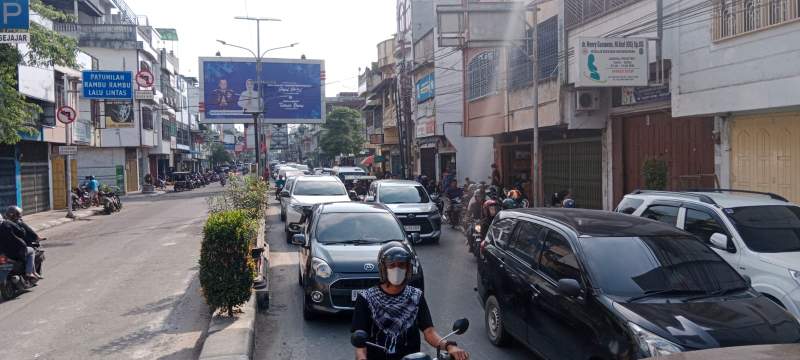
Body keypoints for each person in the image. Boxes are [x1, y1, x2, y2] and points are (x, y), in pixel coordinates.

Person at [352, 242, 469, 360]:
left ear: (408, 268)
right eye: (392, 265)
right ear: (384, 268)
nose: (397, 269)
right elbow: (360, 346)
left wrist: (449, 346)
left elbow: (429, 332)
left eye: (401, 265)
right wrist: (362, 357)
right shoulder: (366, 298)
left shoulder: (415, 296)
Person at [0, 207, 41, 281]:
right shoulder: (8, 223)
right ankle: (29, 272)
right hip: (17, 251)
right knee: (31, 251)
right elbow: (22, 233)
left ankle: (32, 272)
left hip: (3, 253)